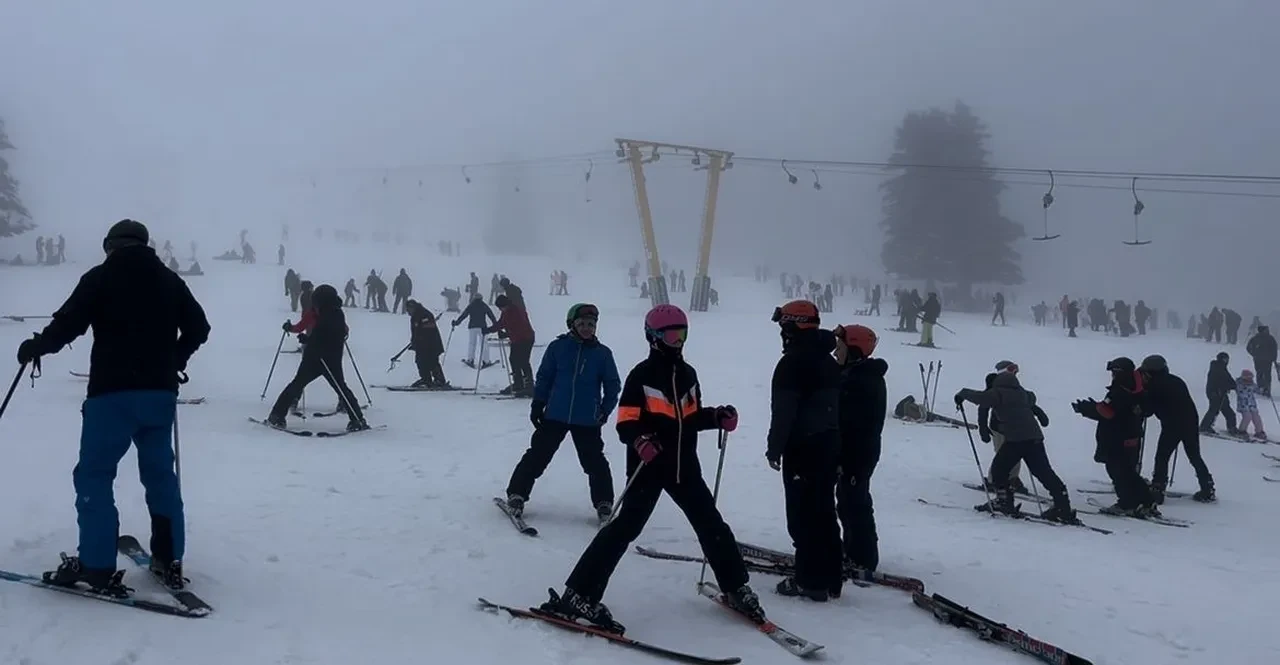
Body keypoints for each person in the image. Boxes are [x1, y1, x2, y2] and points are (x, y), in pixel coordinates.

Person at [541, 305, 764, 632]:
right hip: (649, 467)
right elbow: (625, 422)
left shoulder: (688, 375)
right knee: (623, 529)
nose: (678, 342)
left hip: (684, 468)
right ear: (654, 337)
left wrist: (716, 417)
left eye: (682, 334)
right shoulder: (641, 376)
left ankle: (736, 587)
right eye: (672, 335)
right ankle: (578, 594)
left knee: (711, 524)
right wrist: (640, 440)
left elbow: (690, 418)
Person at [16, 219, 210, 595]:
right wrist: (175, 359)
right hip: (159, 395)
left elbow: (68, 325)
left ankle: (96, 564)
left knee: (95, 475)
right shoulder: (169, 280)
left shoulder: (101, 277)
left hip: (112, 395)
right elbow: (199, 327)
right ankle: (168, 558)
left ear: (110, 245)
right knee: (160, 476)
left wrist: (36, 347)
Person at [505, 303, 621, 522]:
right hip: (555, 415)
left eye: (591, 324)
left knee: (595, 462)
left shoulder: (602, 354)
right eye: (582, 323)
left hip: (587, 419)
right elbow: (544, 378)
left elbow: (612, 384)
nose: (586, 328)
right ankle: (517, 494)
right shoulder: (557, 348)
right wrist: (538, 404)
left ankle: (604, 503)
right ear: (572, 325)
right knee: (537, 456)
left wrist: (604, 410)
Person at [766, 300, 842, 601]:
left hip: (803, 447)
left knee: (803, 515)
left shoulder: (792, 363)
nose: (782, 334)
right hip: (828, 444)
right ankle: (831, 577)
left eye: (784, 327)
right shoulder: (828, 360)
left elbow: (784, 411)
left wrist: (775, 447)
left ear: (793, 326)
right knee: (823, 510)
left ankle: (810, 581)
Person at [955, 362, 1077, 523]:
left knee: (999, 470)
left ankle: (1004, 501)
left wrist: (962, 393)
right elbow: (1032, 397)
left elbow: (980, 398)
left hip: (1016, 439)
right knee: (1044, 472)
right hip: (1035, 438)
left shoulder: (997, 393)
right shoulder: (1022, 393)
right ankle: (1063, 506)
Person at [266, 284, 369, 432]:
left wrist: (308, 340)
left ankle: (276, 416)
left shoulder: (330, 314)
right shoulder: (333, 312)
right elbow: (330, 334)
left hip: (319, 358)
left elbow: (324, 335)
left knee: (297, 385)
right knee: (340, 387)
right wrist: (307, 339)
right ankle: (357, 419)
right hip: (328, 358)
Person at [831, 324, 887, 572]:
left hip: (857, 454)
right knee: (847, 502)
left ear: (854, 350)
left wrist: (845, 457)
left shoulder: (861, 381)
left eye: (840, 348)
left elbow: (852, 424)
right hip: (855, 452)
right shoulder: (855, 375)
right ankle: (854, 550)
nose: (835, 353)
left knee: (855, 504)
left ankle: (863, 558)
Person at [1071, 357, 1158, 517]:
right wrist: (1096, 407)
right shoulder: (1138, 389)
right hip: (1132, 436)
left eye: (1114, 372)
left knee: (1118, 473)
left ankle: (1126, 503)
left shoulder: (1118, 391)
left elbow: (1107, 412)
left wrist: (1085, 408)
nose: (1112, 375)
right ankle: (1147, 500)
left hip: (1116, 439)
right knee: (1129, 472)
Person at [1138, 355, 1215, 503]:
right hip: (1190, 422)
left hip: (1172, 425)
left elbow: (1148, 411)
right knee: (1194, 456)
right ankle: (1207, 487)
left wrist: (1141, 401)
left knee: (1162, 456)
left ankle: (1158, 489)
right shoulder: (1176, 380)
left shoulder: (1154, 386)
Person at [486, 294, 535, 396]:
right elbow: (501, 323)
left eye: (501, 307)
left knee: (523, 361)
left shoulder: (517, 311)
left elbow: (520, 327)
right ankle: (518, 383)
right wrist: (489, 330)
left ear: (505, 304)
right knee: (513, 359)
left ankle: (529, 385)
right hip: (516, 339)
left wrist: (506, 334)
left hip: (526, 338)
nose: (500, 310)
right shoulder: (506, 312)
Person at [406, 300, 448, 388]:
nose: (408, 312)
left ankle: (439, 380)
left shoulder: (425, 314)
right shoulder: (414, 316)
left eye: (408, 310)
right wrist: (414, 341)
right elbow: (415, 331)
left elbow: (429, 331)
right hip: (421, 345)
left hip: (432, 344)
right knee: (420, 361)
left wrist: (419, 339)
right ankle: (426, 379)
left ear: (412, 307)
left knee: (432, 361)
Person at [452, 292, 497, 368]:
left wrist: (457, 322)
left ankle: (470, 360)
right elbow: (491, 315)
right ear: (481, 298)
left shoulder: (471, 305)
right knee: (484, 344)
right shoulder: (484, 305)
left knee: (472, 344)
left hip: (472, 327)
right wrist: (495, 324)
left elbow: (464, 315)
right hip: (483, 327)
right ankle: (486, 361)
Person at [1199, 352, 1238, 435]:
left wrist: (1233, 385)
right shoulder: (1217, 368)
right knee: (1214, 410)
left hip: (1221, 393)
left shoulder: (1222, 368)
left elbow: (1228, 379)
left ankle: (1232, 427)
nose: (1227, 361)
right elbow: (1219, 381)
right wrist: (1229, 386)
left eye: (1227, 359)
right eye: (1225, 359)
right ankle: (1205, 427)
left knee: (1227, 410)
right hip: (1215, 393)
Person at [1235, 368, 1266, 440]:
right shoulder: (1239, 384)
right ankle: (1242, 431)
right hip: (1243, 404)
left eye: (1251, 378)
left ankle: (1259, 431)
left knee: (1256, 417)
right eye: (1248, 378)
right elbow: (1239, 391)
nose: (1250, 380)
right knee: (1247, 417)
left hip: (1252, 404)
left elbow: (1257, 390)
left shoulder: (1252, 384)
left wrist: (1264, 390)